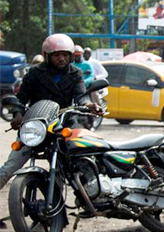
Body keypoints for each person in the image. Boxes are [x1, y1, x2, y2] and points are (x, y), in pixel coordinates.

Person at [0, 34, 101, 192]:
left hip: (64, 125)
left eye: (65, 55)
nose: (61, 59)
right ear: (47, 56)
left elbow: (81, 97)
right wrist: (17, 114)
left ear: (71, 57)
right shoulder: (34, 73)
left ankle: (93, 193)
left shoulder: (76, 74)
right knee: (9, 166)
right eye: (57, 55)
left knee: (83, 158)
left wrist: (89, 105)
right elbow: (21, 99)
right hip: (36, 125)